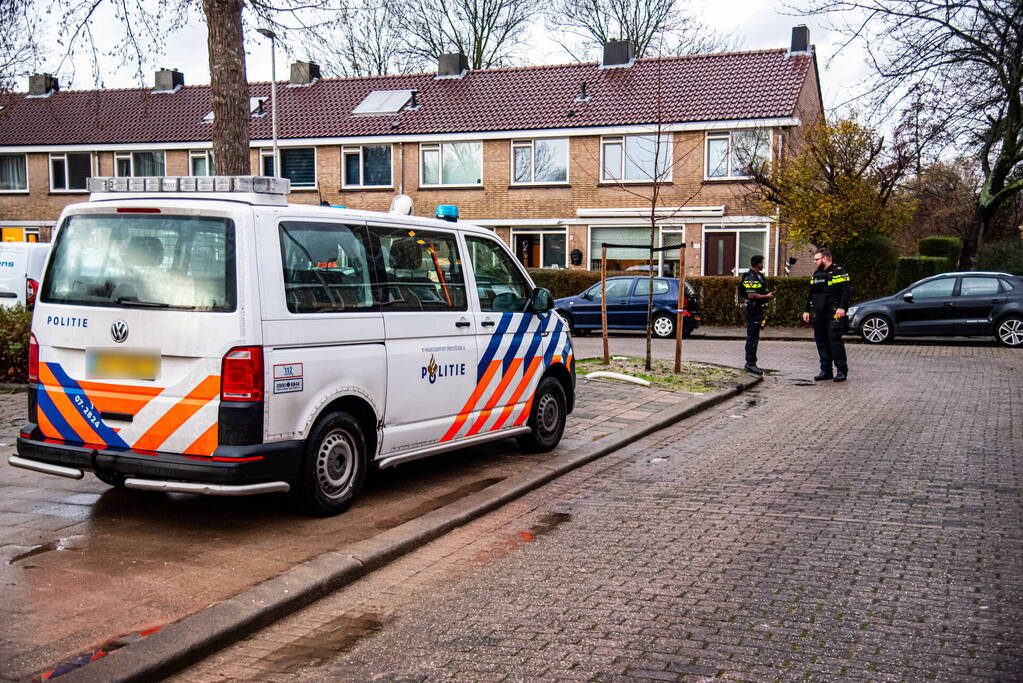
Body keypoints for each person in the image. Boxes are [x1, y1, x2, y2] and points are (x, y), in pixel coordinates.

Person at [802, 247, 852, 382]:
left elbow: (846, 291)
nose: (815, 262)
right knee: (821, 341)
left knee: (834, 341)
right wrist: (807, 310)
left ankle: (841, 371)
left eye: (817, 259)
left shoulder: (839, 272)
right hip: (819, 313)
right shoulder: (817, 274)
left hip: (833, 312)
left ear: (824, 259)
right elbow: (811, 293)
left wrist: (842, 308)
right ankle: (826, 371)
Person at [738, 254, 773, 375]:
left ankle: (751, 363)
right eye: (762, 263)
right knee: (752, 337)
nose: (763, 265)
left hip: (757, 309)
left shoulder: (758, 276)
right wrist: (766, 296)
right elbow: (751, 295)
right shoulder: (751, 277)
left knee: (754, 337)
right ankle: (750, 364)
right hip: (752, 310)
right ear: (758, 264)